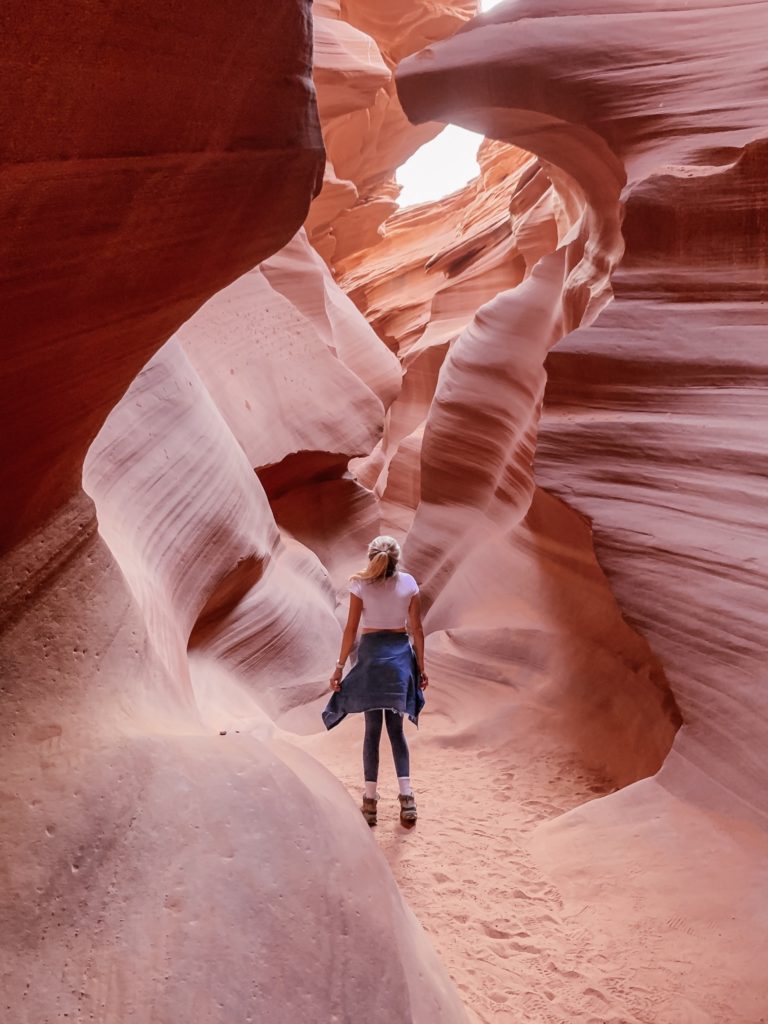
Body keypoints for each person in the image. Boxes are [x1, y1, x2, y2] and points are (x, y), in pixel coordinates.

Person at [322, 535, 428, 828]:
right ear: (396, 558)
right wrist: (421, 667)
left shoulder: (361, 585)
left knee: (372, 732)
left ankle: (370, 803)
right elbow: (416, 629)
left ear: (372, 558)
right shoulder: (408, 584)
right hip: (398, 663)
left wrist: (340, 666)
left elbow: (351, 629)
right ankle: (407, 798)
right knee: (396, 732)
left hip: (370, 660)